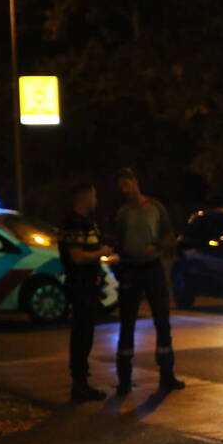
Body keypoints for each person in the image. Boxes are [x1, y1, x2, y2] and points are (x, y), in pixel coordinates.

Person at [112, 167, 185, 395]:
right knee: (127, 323)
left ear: (135, 182)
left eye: (126, 184)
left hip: (152, 269)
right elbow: (117, 240)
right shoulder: (122, 213)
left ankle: (167, 374)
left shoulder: (155, 208)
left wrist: (156, 247)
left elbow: (169, 237)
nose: (124, 189)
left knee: (162, 322)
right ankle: (124, 380)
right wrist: (124, 253)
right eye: (121, 186)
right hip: (131, 269)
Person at [59, 182, 115, 402]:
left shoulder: (86, 222)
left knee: (86, 333)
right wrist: (102, 252)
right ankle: (79, 385)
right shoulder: (73, 222)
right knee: (82, 335)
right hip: (80, 285)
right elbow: (77, 256)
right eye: (94, 196)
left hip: (89, 284)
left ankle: (82, 383)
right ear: (85, 197)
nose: (96, 201)